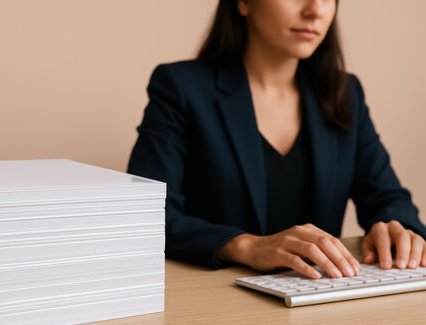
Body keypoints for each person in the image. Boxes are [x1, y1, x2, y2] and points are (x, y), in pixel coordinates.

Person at [127, 0, 426, 279]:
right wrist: (245, 246)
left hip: (318, 297)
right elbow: (148, 215)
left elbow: (388, 198)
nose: (315, 10)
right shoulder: (181, 87)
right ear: (243, 2)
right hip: (216, 300)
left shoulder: (345, 92)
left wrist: (397, 228)